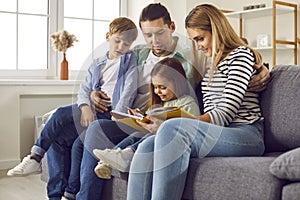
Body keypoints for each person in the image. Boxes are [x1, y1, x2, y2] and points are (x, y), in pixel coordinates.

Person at [75, 3, 270, 200]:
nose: (199, 45)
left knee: (171, 129)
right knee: (146, 145)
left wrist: (264, 69)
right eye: (195, 40)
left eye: (201, 38)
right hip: (217, 131)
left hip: (245, 132)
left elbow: (224, 113)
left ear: (217, 29)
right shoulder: (207, 62)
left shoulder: (240, 55)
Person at [7, 17, 138, 200]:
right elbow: (84, 89)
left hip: (110, 113)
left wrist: (117, 114)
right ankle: (55, 195)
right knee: (57, 132)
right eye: (117, 41)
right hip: (93, 108)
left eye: (126, 43)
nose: (121, 47)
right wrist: (86, 105)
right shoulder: (97, 63)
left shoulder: (130, 60)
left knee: (72, 132)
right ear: (108, 36)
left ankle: (36, 158)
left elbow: (129, 90)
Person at [93, 57, 200, 179]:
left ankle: (125, 155)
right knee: (136, 134)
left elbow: (194, 127)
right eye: (155, 87)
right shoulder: (159, 104)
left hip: (170, 140)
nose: (158, 91)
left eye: (163, 87)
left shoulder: (187, 102)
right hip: (150, 136)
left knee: (147, 135)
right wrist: (138, 117)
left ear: (177, 83)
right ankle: (109, 160)